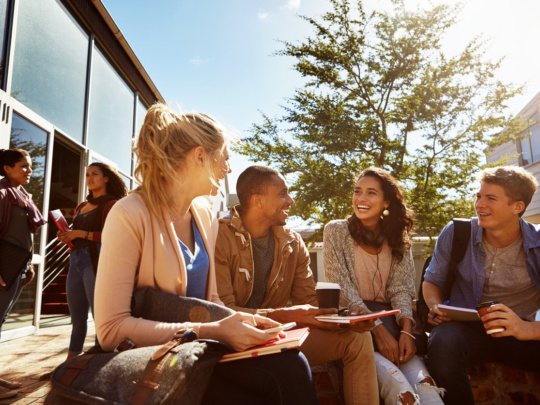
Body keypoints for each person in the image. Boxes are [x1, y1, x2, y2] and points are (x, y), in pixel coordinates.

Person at [94, 104, 318, 405]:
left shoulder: (204, 215)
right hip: (153, 362)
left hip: (198, 351)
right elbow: (110, 331)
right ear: (200, 156)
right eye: (224, 159)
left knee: (290, 364)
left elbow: (210, 302)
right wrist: (212, 330)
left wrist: (245, 320)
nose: (228, 169)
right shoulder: (128, 214)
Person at [215, 165, 379, 405]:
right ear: (258, 201)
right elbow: (222, 312)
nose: (290, 200)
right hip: (232, 343)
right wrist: (284, 315)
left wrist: (344, 317)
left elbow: (309, 304)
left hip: (277, 337)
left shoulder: (292, 243)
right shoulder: (219, 237)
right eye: (282, 193)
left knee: (356, 338)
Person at [324, 167, 444, 405]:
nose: (361, 198)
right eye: (358, 191)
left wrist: (407, 332)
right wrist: (377, 330)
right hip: (357, 333)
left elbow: (401, 290)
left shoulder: (399, 238)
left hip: (395, 330)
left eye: (371, 193)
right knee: (403, 394)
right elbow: (342, 289)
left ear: (386, 201)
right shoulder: (335, 231)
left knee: (428, 390)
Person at [423, 166, 540, 405]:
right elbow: (431, 281)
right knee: (441, 343)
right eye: (478, 196)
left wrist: (528, 330)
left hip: (520, 333)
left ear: (517, 207)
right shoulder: (457, 232)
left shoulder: (538, 243)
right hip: (465, 332)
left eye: (490, 198)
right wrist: (436, 307)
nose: (479, 204)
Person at [56, 162, 127, 360]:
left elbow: (111, 236)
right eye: (87, 174)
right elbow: (76, 234)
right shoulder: (81, 206)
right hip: (75, 259)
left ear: (106, 178)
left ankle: (98, 360)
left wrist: (79, 233)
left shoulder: (112, 204)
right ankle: (70, 362)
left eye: (95, 174)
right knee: (77, 317)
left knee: (100, 315)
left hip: (96, 260)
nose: (90, 178)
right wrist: (67, 235)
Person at [0, 148, 46, 399]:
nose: (30, 170)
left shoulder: (21, 195)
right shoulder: (2, 193)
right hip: (4, 267)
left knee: (1, 319)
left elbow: (22, 236)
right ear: (7, 168)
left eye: (29, 166)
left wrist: (27, 266)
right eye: (23, 166)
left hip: (17, 266)